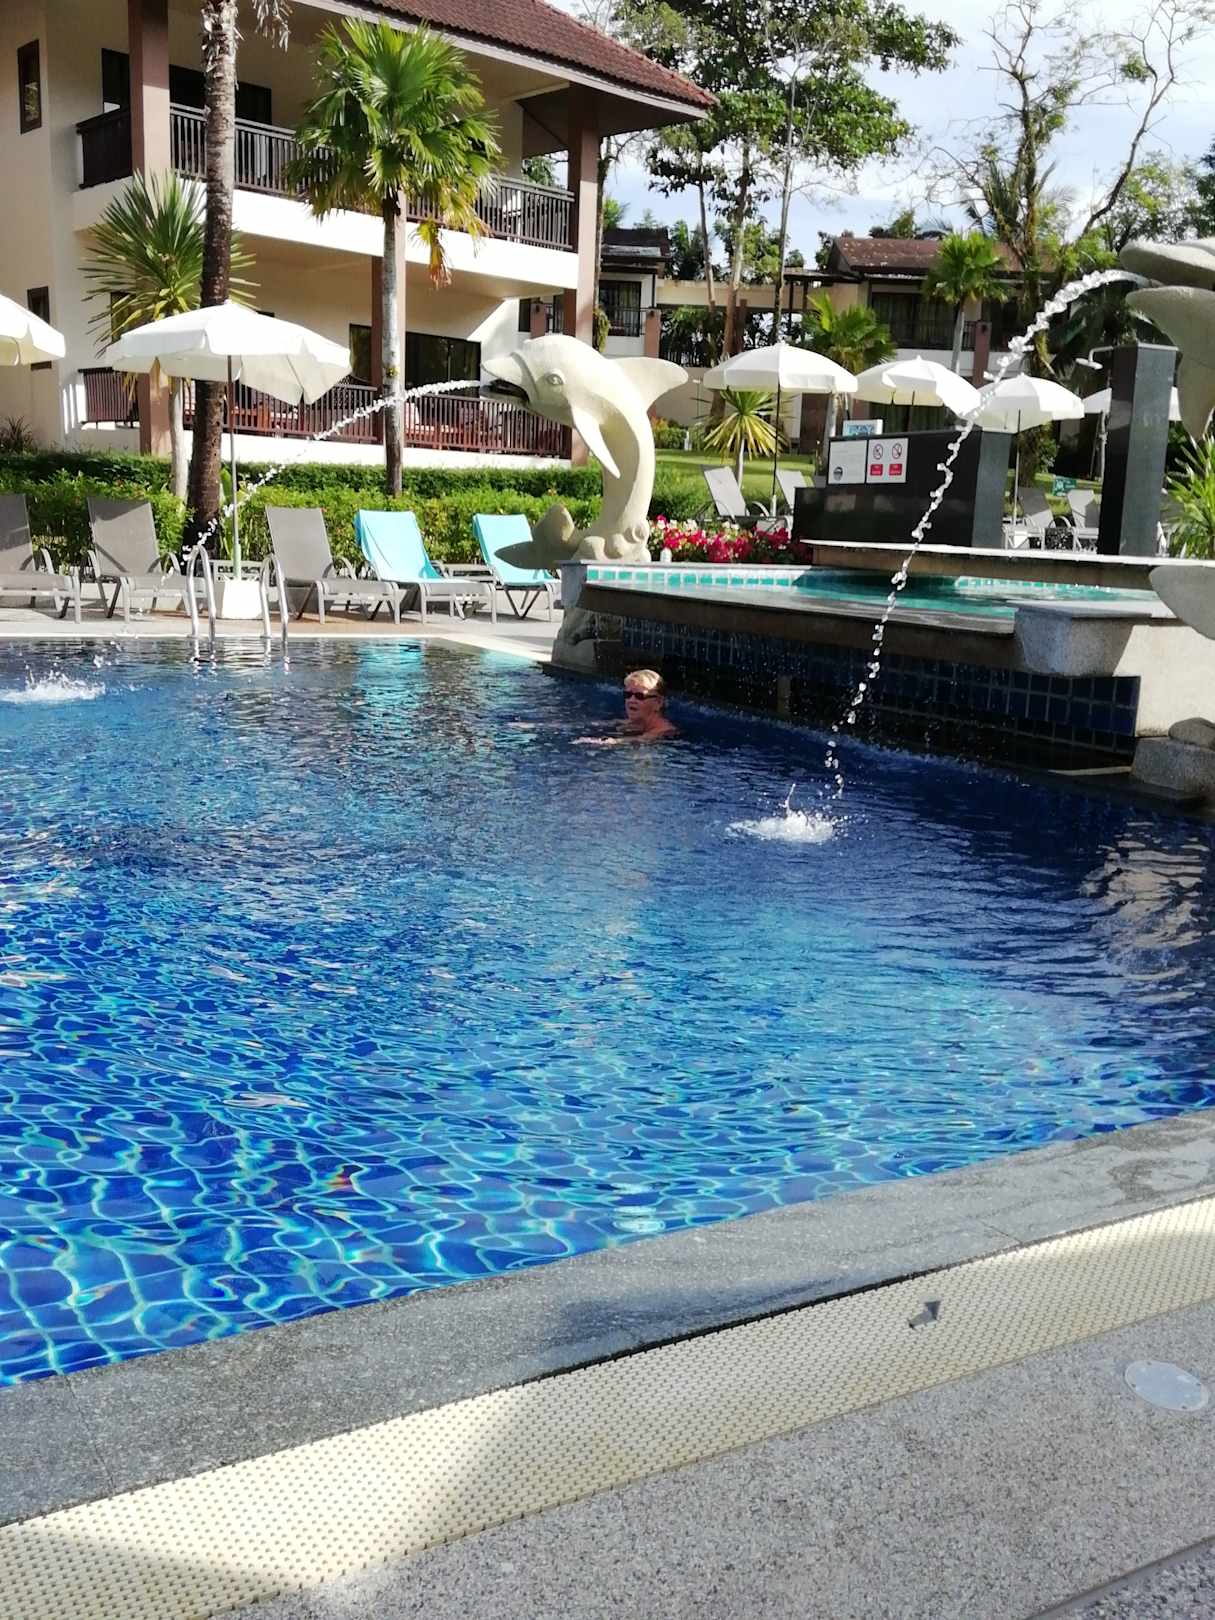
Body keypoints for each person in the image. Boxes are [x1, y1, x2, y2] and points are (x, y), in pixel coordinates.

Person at [576, 668, 678, 745]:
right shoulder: (636, 722)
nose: (631, 700)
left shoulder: (663, 730)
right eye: (628, 695)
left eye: (640, 696)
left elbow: (640, 740)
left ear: (658, 702)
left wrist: (604, 742)